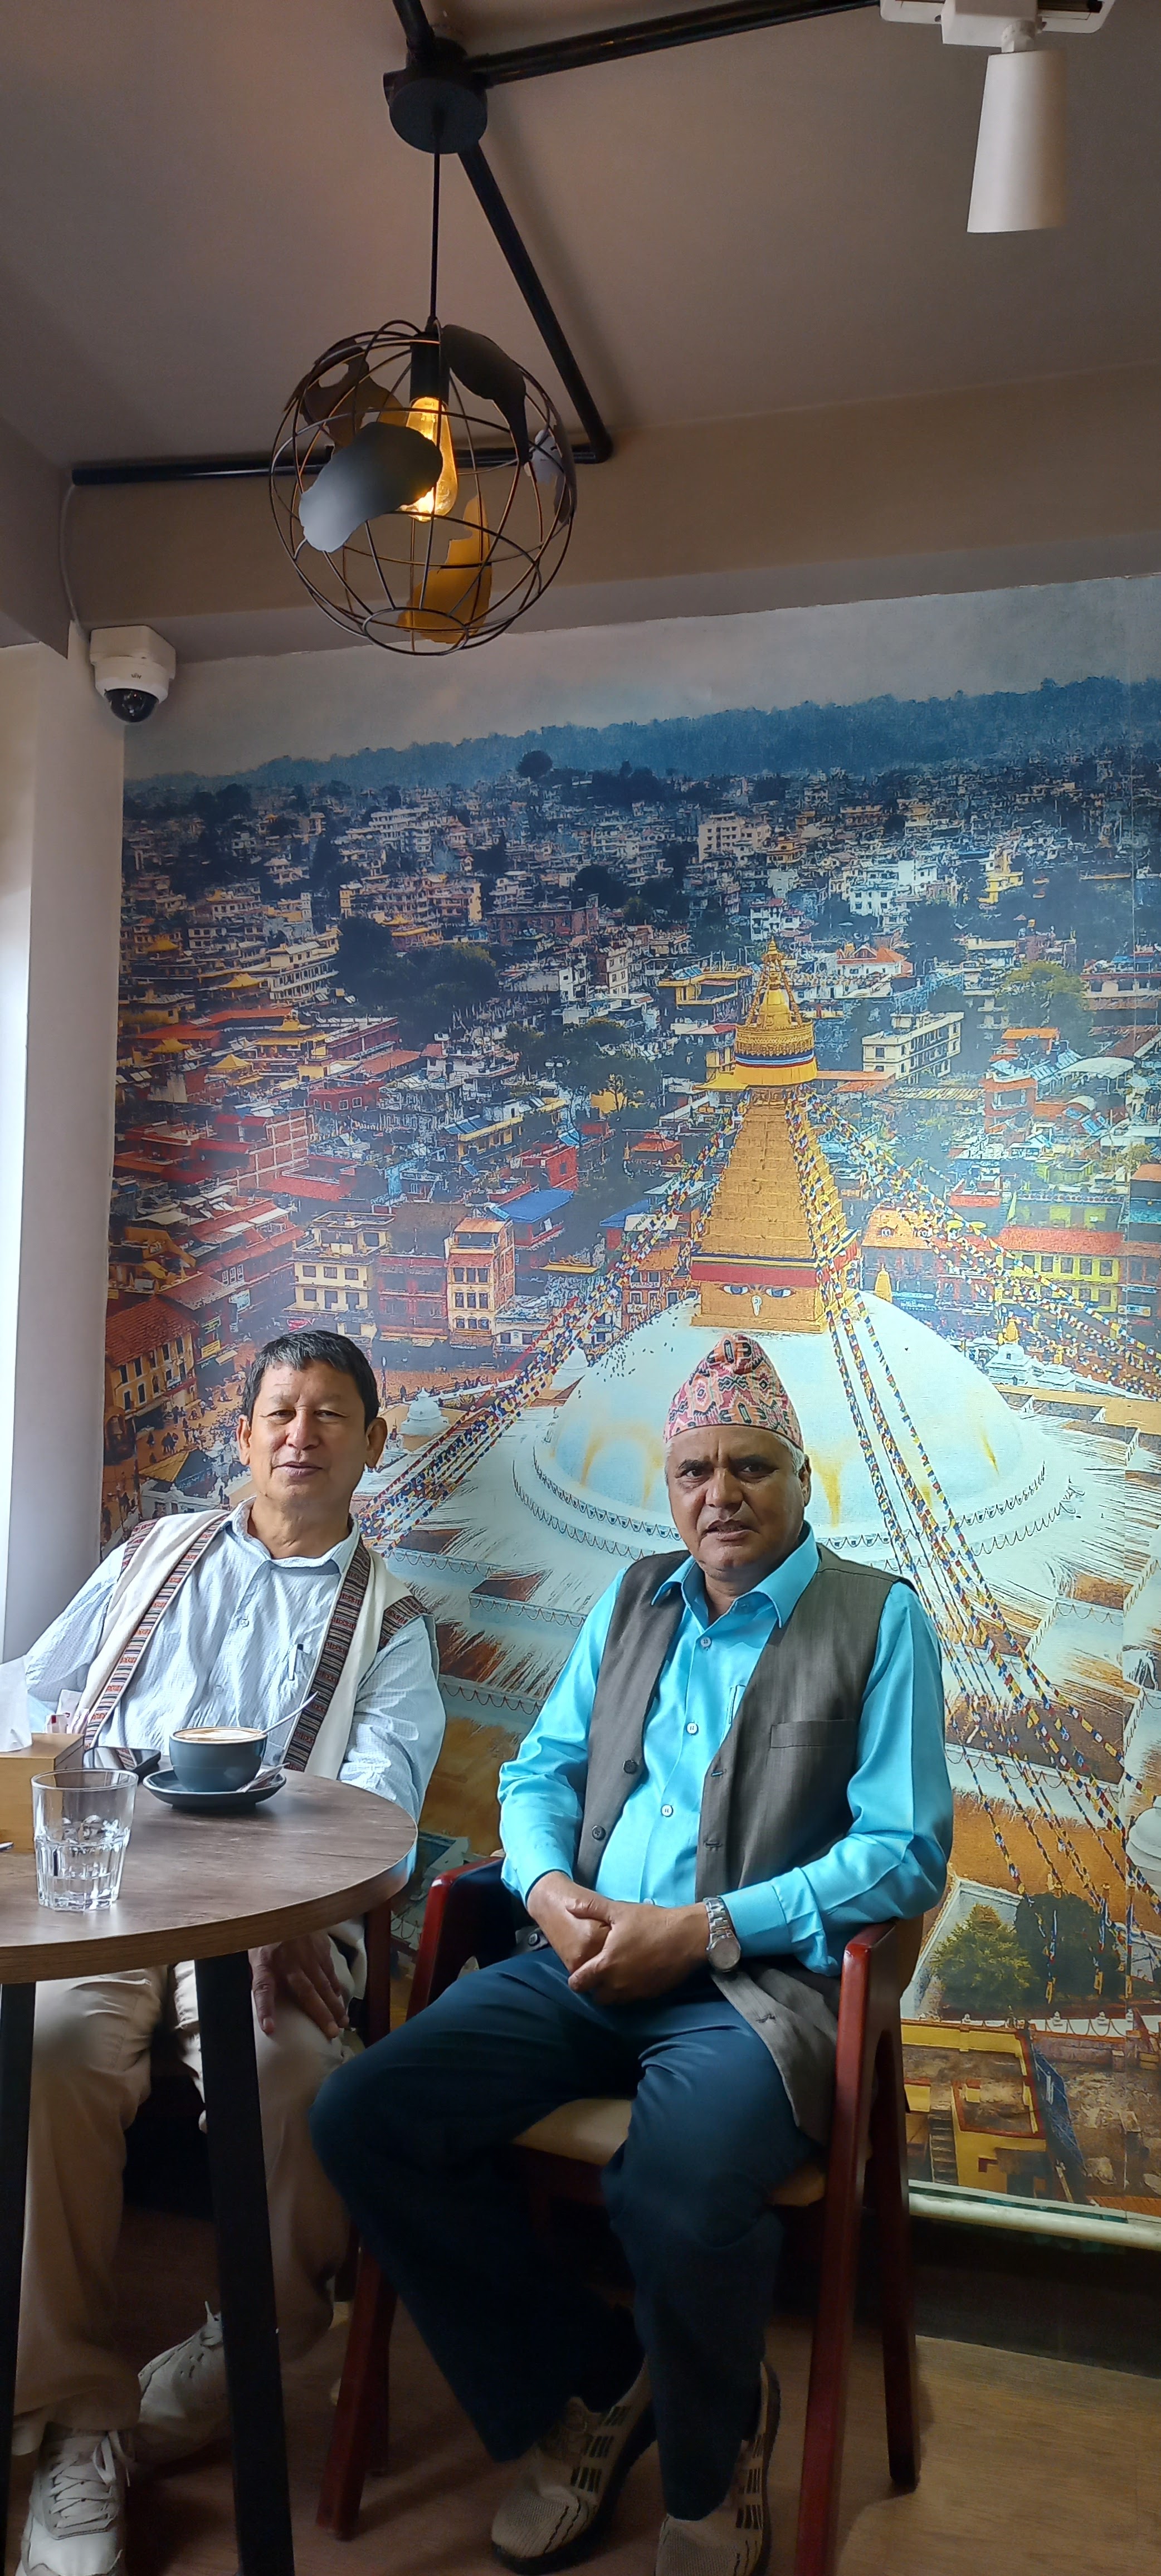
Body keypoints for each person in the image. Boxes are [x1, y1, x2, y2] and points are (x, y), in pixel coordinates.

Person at [311, 1332, 952, 2576]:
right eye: (695, 1470)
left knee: (676, 2184)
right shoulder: (634, 1600)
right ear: (671, 1485)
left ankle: (713, 2463)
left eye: (751, 1466)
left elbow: (903, 1852)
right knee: (363, 2113)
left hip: (754, 1993)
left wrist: (709, 1928)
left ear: (803, 1478)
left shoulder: (878, 1618)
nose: (722, 1494)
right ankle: (594, 2380)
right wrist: (548, 1889)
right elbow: (539, 1771)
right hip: (587, 1963)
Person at [15, 1329, 445, 2576]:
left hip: (276, 1922)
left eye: (329, 1414)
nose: (300, 1435)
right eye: (279, 1412)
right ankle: (75, 2412)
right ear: (244, 1433)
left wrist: (291, 1906)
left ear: (374, 1441)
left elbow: (384, 1797)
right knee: (48, 2048)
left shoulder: (392, 1618)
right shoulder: (148, 1555)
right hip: (107, 1893)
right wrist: (54, 1771)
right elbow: (30, 1689)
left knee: (300, 2075)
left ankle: (250, 2339)